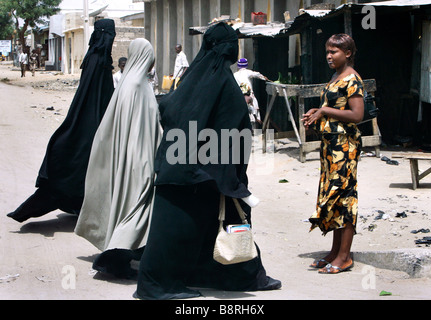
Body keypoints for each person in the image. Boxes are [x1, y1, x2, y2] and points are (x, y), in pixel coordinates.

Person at [134, 22, 281, 300]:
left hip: (185, 168)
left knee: (223, 223)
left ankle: (234, 275)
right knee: (182, 230)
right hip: (199, 173)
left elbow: (170, 110)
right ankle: (156, 287)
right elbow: (233, 129)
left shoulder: (193, 78)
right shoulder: (222, 82)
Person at [6, 19, 116, 223]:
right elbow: (96, 97)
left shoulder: (97, 58)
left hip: (95, 122)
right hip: (91, 124)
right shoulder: (97, 61)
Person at [75, 38, 162, 279]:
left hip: (128, 157)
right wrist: (145, 161)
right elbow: (140, 129)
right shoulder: (137, 86)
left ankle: (122, 254)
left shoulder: (129, 83)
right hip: (138, 158)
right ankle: (115, 256)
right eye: (151, 55)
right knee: (136, 205)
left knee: (128, 204)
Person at [301, 33, 364, 274]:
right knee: (333, 198)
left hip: (345, 148)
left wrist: (325, 109)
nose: (329, 56)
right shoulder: (336, 76)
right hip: (331, 149)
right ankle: (335, 252)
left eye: (334, 52)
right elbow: (336, 108)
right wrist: (318, 112)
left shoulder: (352, 79)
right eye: (327, 51)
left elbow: (356, 115)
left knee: (345, 199)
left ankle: (344, 257)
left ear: (347, 53)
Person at [233, 58, 269, 128]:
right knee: (254, 109)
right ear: (246, 65)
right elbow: (256, 74)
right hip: (249, 94)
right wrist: (264, 78)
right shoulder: (247, 72)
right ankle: (255, 122)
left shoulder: (235, 75)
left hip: (240, 96)